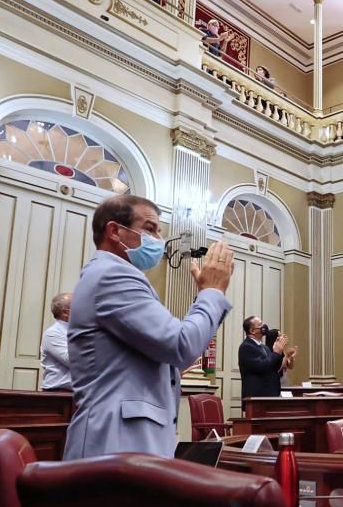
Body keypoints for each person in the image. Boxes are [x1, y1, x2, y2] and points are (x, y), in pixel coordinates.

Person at [64, 195, 233, 460]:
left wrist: (207, 294)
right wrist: (212, 292)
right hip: (115, 441)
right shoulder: (113, 275)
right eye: (150, 228)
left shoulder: (112, 274)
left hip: (128, 438)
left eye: (158, 231)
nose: (158, 240)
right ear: (114, 231)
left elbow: (162, 353)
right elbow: (181, 345)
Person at [239, 317, 291, 400]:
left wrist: (279, 351)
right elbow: (262, 366)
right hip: (257, 396)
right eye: (260, 325)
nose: (264, 326)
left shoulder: (264, 347)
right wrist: (276, 353)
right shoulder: (246, 347)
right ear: (252, 331)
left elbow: (275, 367)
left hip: (271, 394)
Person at [40, 293, 72, 392]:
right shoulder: (53, 333)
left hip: (79, 393)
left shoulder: (80, 330)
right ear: (65, 313)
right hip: (59, 393)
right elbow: (72, 361)